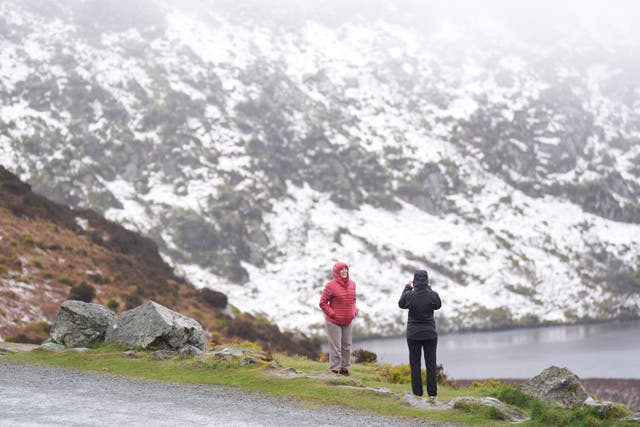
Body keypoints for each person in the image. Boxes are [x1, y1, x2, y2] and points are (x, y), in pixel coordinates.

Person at [398, 269, 442, 399]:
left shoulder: (409, 295)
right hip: (430, 334)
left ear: (414, 280)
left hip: (413, 335)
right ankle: (432, 394)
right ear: (427, 280)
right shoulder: (433, 294)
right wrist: (428, 288)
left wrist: (407, 287)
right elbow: (438, 305)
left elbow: (401, 304)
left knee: (415, 364)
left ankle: (417, 393)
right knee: (431, 364)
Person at [319, 261, 357, 376]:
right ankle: (334, 370)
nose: (344, 271)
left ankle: (344, 369)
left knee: (347, 346)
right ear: (336, 272)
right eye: (342, 269)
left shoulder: (352, 284)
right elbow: (322, 303)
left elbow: (353, 300)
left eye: (346, 269)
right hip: (333, 321)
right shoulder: (330, 285)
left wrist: (353, 312)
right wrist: (332, 314)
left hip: (347, 320)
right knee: (336, 347)